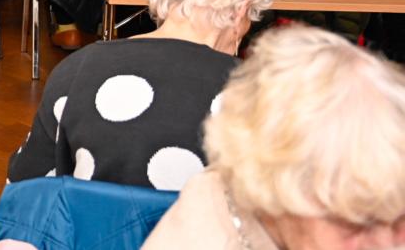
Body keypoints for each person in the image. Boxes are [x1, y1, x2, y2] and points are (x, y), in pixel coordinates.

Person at [7, 0, 277, 190]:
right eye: (252, 15)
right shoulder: (260, 95)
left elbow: (23, 191)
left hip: (97, 221)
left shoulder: (77, 71)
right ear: (240, 10)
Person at [143, 25, 405, 249]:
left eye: (398, 221)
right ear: (278, 196)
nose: (385, 243)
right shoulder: (201, 236)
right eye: (359, 224)